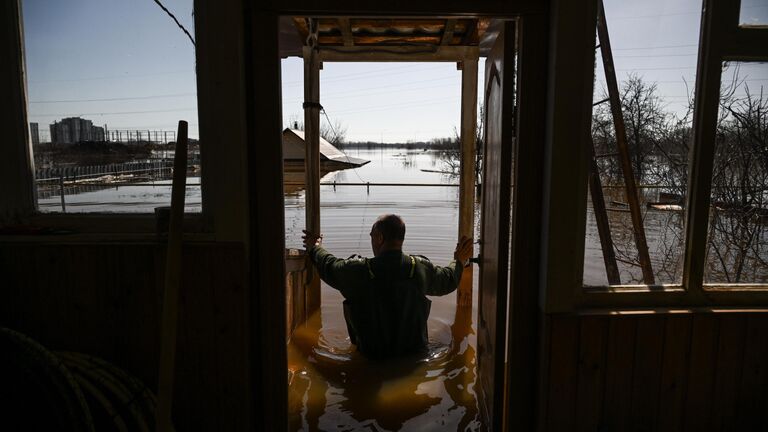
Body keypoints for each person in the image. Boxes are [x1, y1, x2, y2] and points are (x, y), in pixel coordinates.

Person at [302, 214, 473, 360]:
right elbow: (449, 279)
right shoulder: (420, 268)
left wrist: (315, 247)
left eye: (371, 236)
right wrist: (458, 261)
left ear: (379, 238)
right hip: (415, 357)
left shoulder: (358, 271)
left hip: (371, 358)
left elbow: (328, 265)